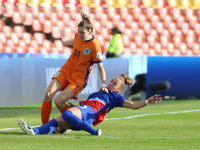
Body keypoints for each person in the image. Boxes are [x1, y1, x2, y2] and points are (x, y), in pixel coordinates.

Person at [18, 74, 162, 136]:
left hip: (90, 114)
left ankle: (93, 132)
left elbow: (134, 106)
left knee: (66, 114)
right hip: (85, 115)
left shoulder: (116, 97)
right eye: (111, 80)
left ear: (119, 89)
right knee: (55, 122)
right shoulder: (99, 92)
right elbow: (86, 105)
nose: (111, 83)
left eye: (115, 83)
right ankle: (33, 131)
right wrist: (75, 105)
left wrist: (148, 101)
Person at [40, 12, 108, 126]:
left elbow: (100, 67)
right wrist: (65, 42)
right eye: (79, 32)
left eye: (82, 32)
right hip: (66, 70)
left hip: (78, 79)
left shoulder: (95, 46)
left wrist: (104, 84)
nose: (80, 34)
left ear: (90, 31)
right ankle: (44, 126)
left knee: (59, 102)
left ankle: (71, 123)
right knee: (48, 94)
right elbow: (74, 42)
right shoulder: (78, 36)